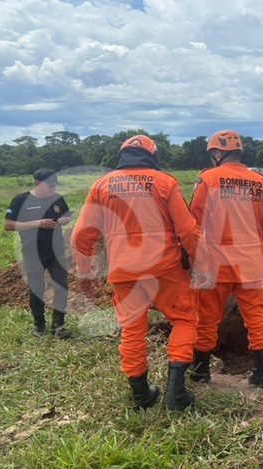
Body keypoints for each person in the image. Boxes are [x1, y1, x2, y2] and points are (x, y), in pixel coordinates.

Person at [71, 135, 208, 411]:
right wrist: (201, 262)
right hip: (166, 269)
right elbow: (188, 229)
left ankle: (141, 395)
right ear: (153, 157)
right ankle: (176, 392)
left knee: (132, 330)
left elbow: (82, 235)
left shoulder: (101, 186)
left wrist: (84, 273)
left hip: (124, 271)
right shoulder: (165, 182)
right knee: (184, 320)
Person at [189, 130, 263, 388]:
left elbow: (194, 222)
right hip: (251, 263)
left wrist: (192, 257)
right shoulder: (262, 183)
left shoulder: (208, 179)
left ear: (217, 154)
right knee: (257, 318)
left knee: (206, 318)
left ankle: (200, 372)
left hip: (215, 264)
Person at [4, 168, 73, 339]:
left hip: (56, 251)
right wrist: (37, 223)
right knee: (36, 289)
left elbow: (65, 216)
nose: (53, 189)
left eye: (54, 186)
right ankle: (39, 325)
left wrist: (65, 220)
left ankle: (58, 325)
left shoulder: (57, 199)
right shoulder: (21, 200)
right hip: (33, 252)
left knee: (62, 286)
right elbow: (8, 225)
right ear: (37, 183)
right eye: (49, 186)